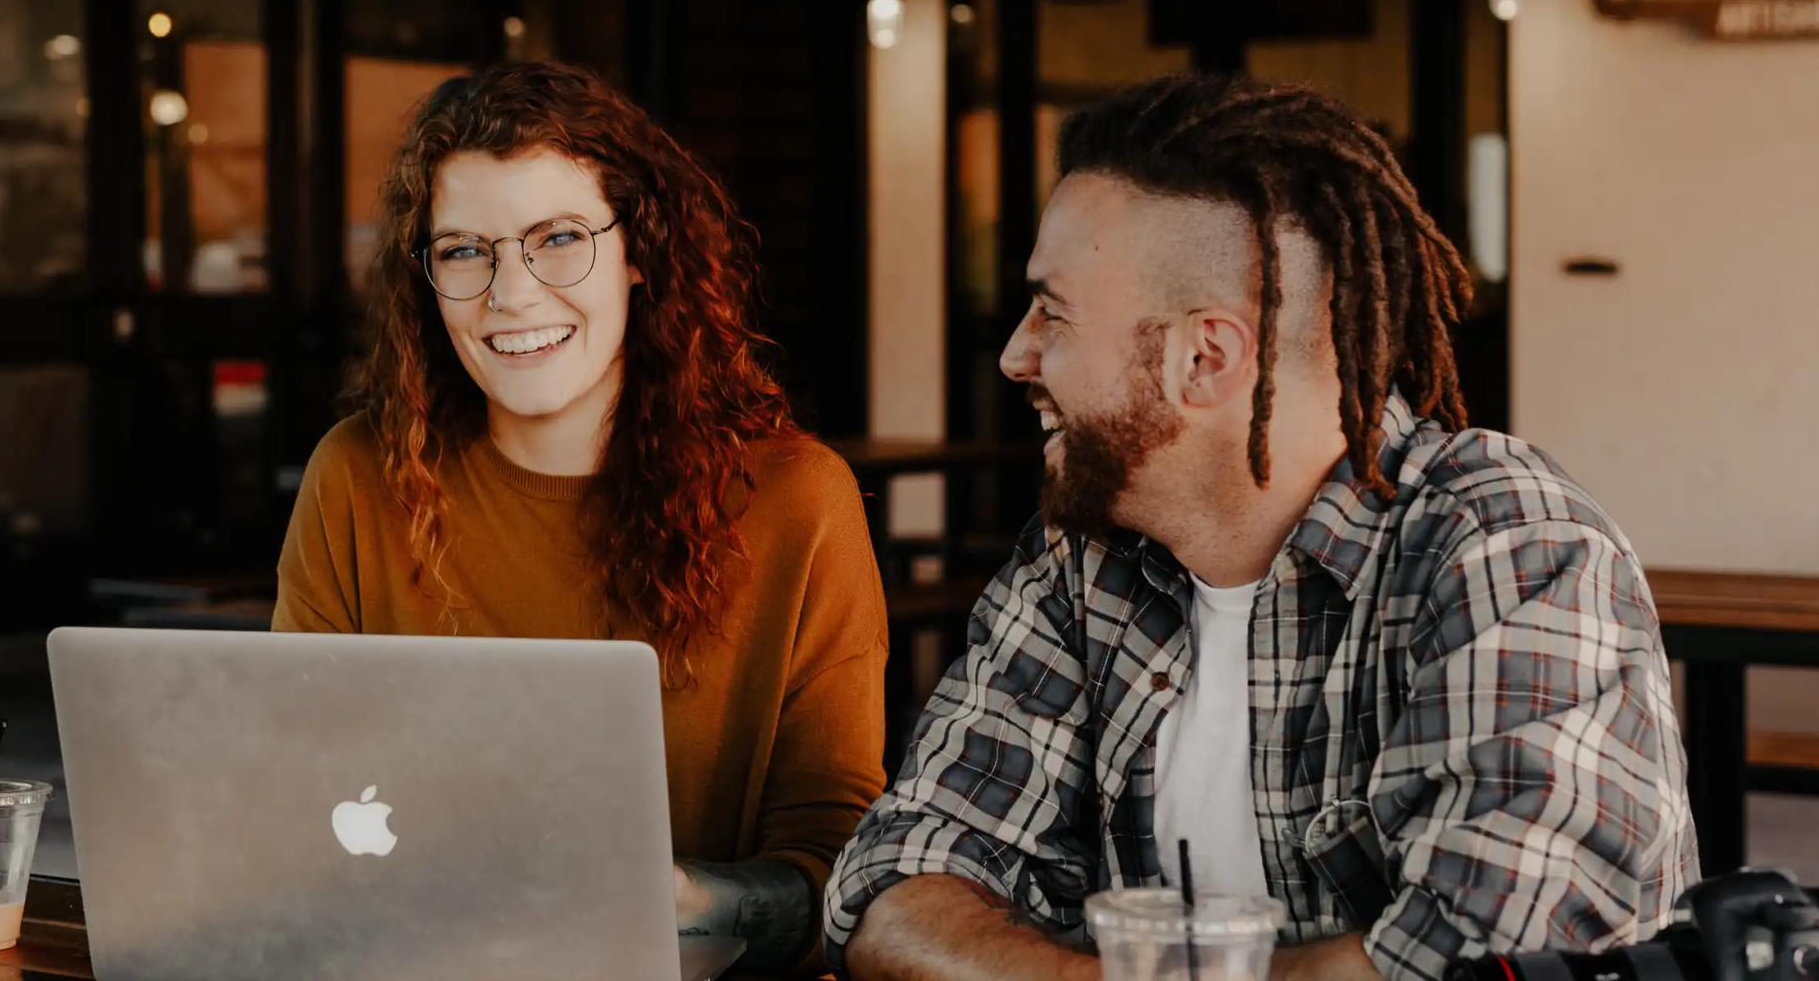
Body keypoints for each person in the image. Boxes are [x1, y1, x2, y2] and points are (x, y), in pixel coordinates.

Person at [824, 72, 1697, 981]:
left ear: (1204, 358)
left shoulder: (1509, 548)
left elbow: (1487, 958)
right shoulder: (1081, 561)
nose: (1016, 354)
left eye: (1054, 311)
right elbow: (893, 887)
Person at [275, 61, 887, 976]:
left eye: (558, 238)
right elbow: (284, 790)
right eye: (464, 250)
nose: (511, 294)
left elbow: (838, 867)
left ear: (640, 252)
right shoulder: (358, 476)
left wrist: (684, 901)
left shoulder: (796, 500)